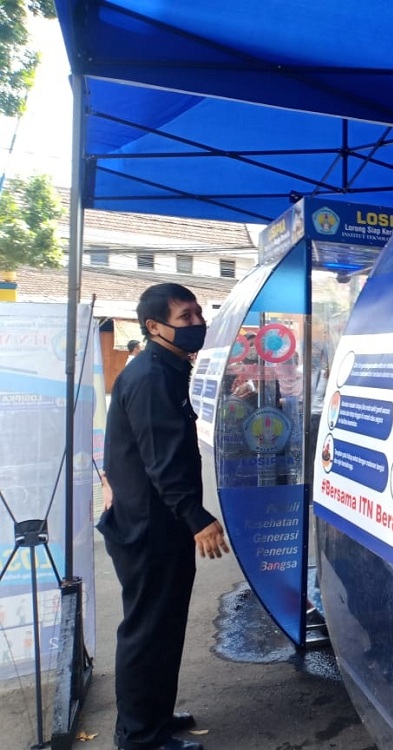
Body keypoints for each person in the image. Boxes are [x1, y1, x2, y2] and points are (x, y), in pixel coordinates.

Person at [98, 283, 230, 750]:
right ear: (154, 327)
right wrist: (197, 518)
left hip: (153, 521)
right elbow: (163, 462)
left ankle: (152, 715)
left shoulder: (167, 367)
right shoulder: (153, 376)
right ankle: (140, 737)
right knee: (149, 630)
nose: (198, 324)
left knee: (163, 625)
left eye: (198, 314)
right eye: (186, 317)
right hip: (149, 528)